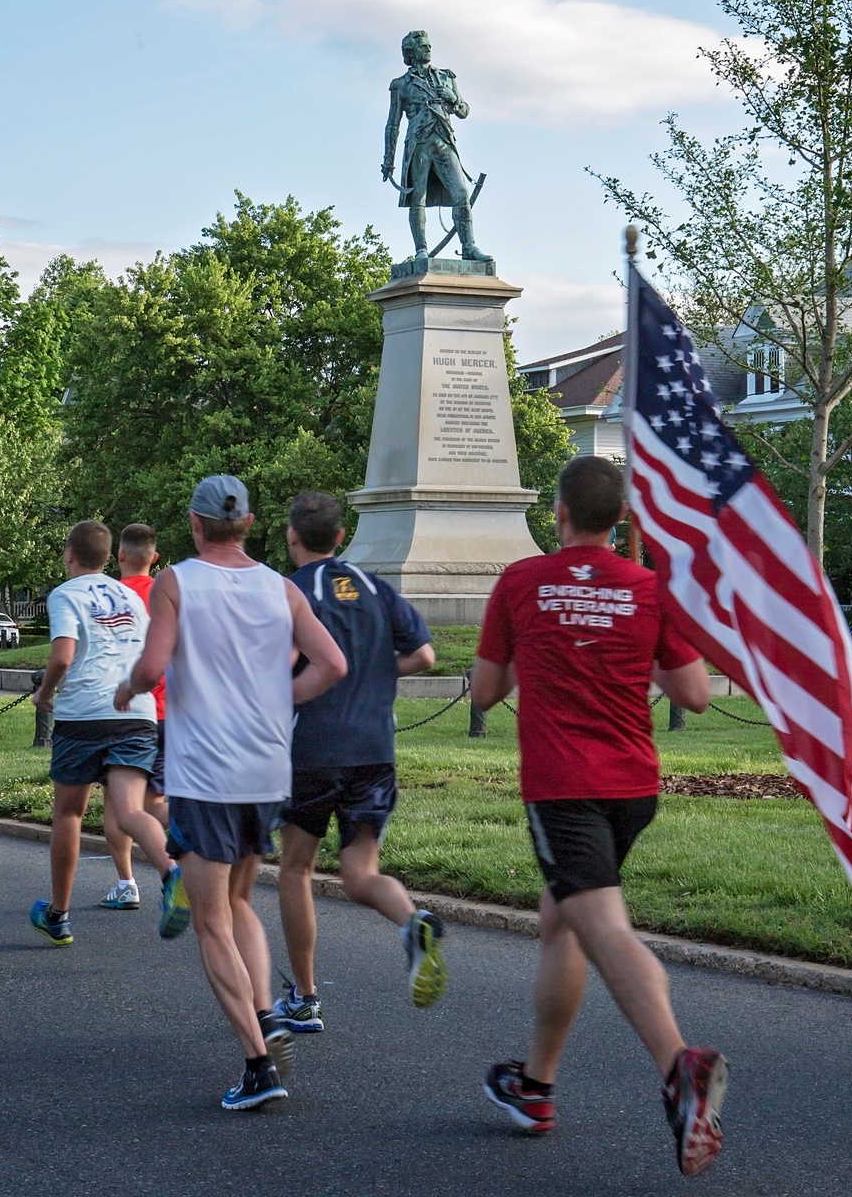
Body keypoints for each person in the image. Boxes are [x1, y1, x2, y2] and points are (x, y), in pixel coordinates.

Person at [471, 456, 729, 1179]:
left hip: (564, 788)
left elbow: (486, 693)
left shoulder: (520, 582)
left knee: (604, 929)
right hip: (633, 788)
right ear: (621, 519)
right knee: (563, 922)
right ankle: (537, 1088)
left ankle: (681, 1066)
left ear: (558, 512)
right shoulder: (649, 589)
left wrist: (537, 643)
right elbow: (696, 693)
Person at [114, 476, 347, 1112]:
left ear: (194, 524)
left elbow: (156, 666)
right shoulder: (281, 587)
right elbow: (332, 665)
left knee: (210, 918)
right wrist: (276, 701)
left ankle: (257, 1063)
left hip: (204, 773)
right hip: (266, 770)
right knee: (241, 896)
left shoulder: (177, 582)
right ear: (249, 523)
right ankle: (267, 1011)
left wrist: (127, 689)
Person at [271, 491, 447, 1035]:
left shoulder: (289, 591)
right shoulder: (374, 587)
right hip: (376, 749)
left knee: (296, 868)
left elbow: (285, 662)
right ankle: (412, 921)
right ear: (342, 536)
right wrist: (378, 673)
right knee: (359, 871)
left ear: (292, 537)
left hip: (313, 749)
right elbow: (424, 655)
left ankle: (304, 997)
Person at [29, 521, 189, 949]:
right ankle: (173, 876)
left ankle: (58, 916)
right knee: (132, 810)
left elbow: (63, 657)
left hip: (84, 714)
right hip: (135, 711)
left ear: (69, 554)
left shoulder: (66, 594)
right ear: (108, 555)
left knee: (69, 815)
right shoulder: (131, 596)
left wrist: (44, 695)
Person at [382, 29, 493, 270]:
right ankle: (421, 249)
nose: (428, 49)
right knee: (417, 198)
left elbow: (464, 111)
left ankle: (468, 247)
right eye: (422, 46)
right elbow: (393, 124)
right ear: (411, 53)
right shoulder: (400, 85)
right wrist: (388, 160)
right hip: (418, 145)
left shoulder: (446, 78)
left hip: (444, 141)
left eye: (429, 45)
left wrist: (453, 98)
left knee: (462, 193)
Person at [100, 523, 169, 909]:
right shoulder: (168, 593)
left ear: (119, 555)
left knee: (119, 803)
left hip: (127, 709)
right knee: (154, 801)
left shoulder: (110, 595)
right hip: (171, 710)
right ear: (154, 558)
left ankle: (127, 882)